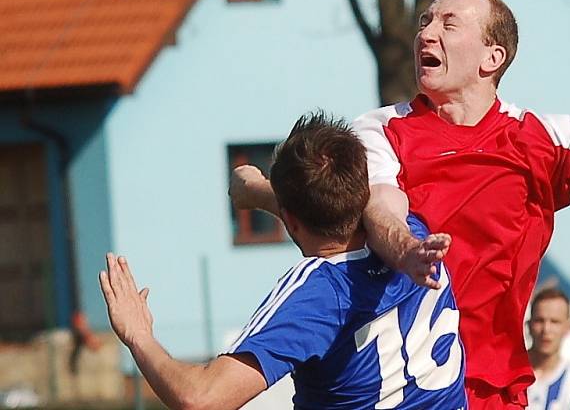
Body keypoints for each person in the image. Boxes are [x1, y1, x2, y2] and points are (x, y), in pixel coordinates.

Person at [231, 0, 570, 409]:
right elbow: (381, 203)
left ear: (492, 56)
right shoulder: (382, 130)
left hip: (495, 392)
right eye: (425, 22)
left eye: (447, 23)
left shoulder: (547, 138)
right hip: (402, 393)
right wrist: (406, 250)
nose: (426, 33)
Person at [100, 112, 466, 410]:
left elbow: (201, 399)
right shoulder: (414, 238)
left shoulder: (318, 293)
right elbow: (346, 212)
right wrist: (260, 191)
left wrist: (139, 337)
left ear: (289, 219)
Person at [526, 289, 570, 410]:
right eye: (539, 321)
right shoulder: (506, 377)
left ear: (569, 327)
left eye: (555, 322)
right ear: (528, 325)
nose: (546, 330)